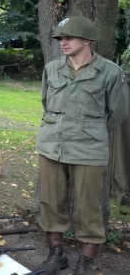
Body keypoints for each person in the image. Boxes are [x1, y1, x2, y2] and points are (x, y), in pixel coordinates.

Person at [34, 16, 129, 275]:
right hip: (52, 146)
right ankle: (56, 256)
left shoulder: (110, 72)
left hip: (89, 150)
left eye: (69, 38)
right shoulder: (52, 69)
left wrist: (89, 130)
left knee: (89, 208)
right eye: (60, 38)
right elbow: (45, 102)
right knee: (51, 203)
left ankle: (84, 263)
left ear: (87, 40)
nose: (63, 42)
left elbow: (117, 113)